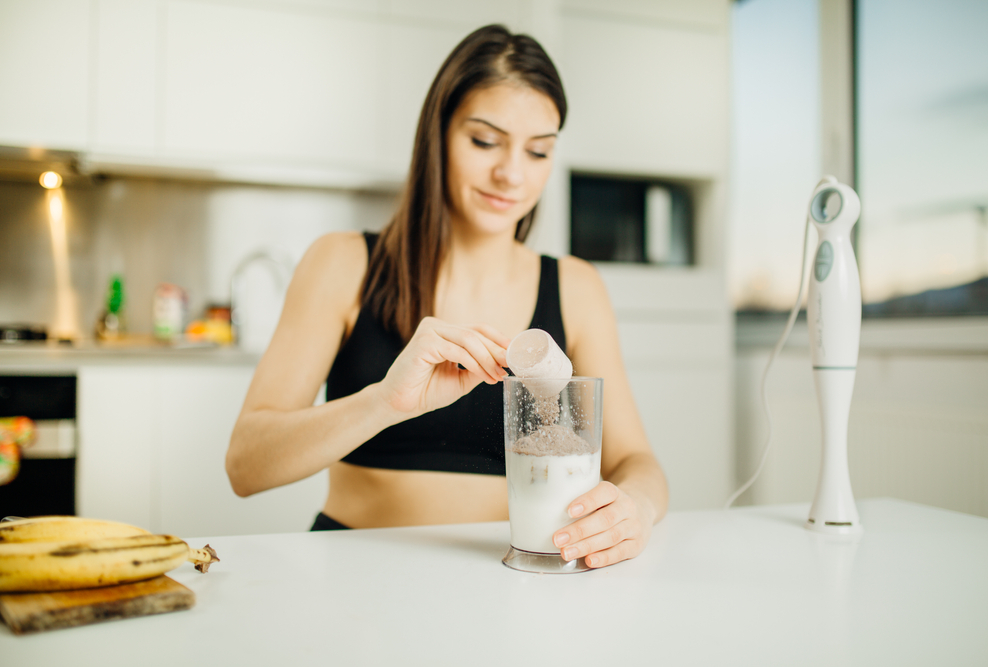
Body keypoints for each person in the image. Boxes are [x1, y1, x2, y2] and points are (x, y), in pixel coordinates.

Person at [225, 24, 669, 569]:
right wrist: (385, 401)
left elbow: (636, 461)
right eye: (485, 141)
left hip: (509, 578)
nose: (510, 174)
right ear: (438, 135)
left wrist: (637, 509)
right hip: (352, 580)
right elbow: (245, 465)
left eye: (538, 152)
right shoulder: (343, 264)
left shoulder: (576, 287)